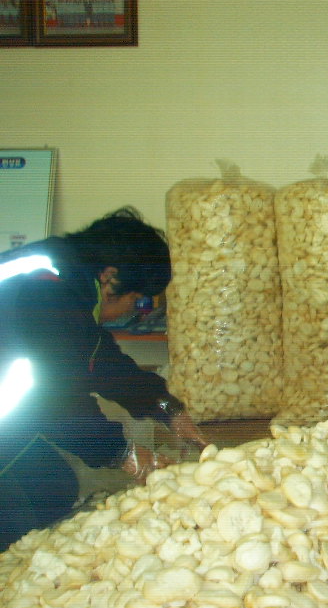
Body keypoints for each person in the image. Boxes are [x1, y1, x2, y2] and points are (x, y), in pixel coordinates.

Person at [0, 207, 207, 550]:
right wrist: (123, 452)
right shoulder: (44, 291)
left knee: (56, 487)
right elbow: (57, 401)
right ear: (110, 277)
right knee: (16, 525)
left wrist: (167, 407)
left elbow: (99, 360)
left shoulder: (63, 279)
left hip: (12, 423)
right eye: (137, 301)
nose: (134, 311)